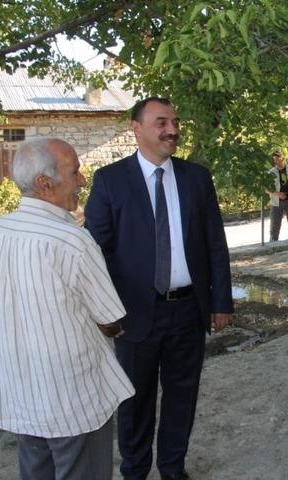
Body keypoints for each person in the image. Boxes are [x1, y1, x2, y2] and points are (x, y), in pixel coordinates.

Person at [0, 138, 135, 480]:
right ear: (45, 183)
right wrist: (115, 330)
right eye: (75, 172)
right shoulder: (73, 240)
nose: (83, 180)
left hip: (20, 390)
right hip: (72, 397)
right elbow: (109, 318)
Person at [84, 97, 233, 480]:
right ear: (136, 128)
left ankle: (172, 468)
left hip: (188, 309)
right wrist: (104, 310)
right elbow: (95, 251)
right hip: (134, 313)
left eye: (175, 122)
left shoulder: (196, 178)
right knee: (135, 401)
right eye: (161, 122)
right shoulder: (111, 180)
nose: (172, 130)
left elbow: (215, 244)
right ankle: (134, 472)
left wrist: (221, 301)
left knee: (182, 396)